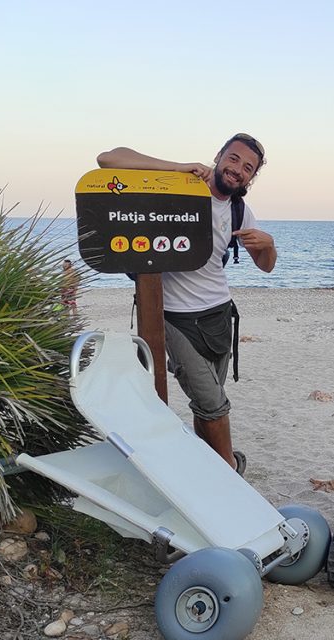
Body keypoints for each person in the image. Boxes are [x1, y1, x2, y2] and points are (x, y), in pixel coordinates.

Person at [95, 134, 277, 473]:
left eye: (247, 168)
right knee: (213, 404)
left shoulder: (240, 211)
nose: (237, 170)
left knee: (204, 408)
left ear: (252, 178)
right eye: (233, 159)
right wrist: (178, 167)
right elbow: (108, 159)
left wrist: (268, 243)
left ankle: (205, 468)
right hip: (175, 317)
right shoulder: (176, 185)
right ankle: (228, 471)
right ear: (219, 156)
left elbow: (266, 265)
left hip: (219, 316)